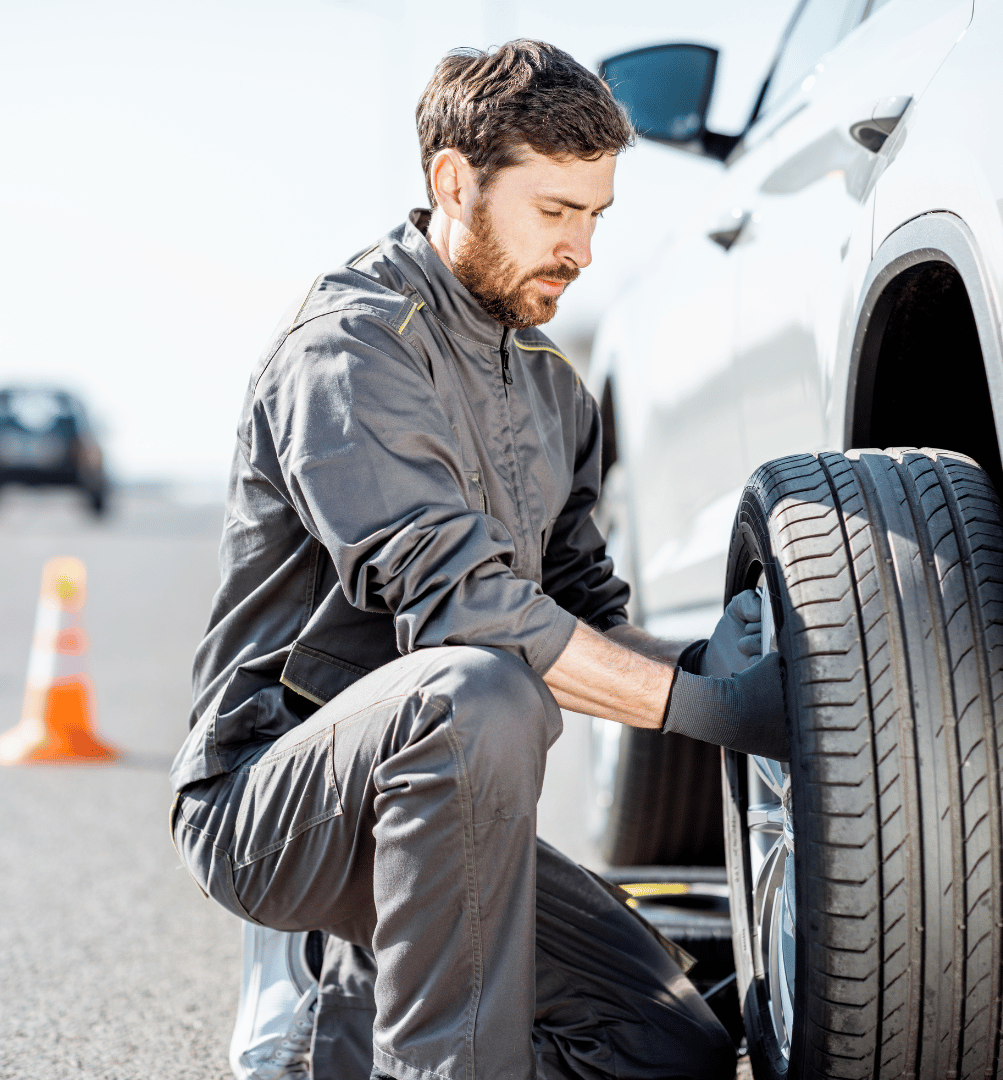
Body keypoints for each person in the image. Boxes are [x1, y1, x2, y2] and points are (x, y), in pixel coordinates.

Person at [170, 39, 787, 1080]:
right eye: (555, 212)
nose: (582, 249)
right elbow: (461, 610)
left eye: (596, 216)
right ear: (454, 181)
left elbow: (583, 617)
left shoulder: (555, 388)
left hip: (453, 807)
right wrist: (711, 714)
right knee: (476, 689)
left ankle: (347, 1040)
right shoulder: (350, 345)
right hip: (279, 804)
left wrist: (706, 667)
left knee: (666, 1043)